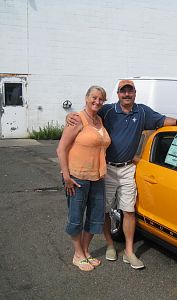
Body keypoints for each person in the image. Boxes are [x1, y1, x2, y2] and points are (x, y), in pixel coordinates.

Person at [67, 80, 177, 269]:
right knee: (103, 211)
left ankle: (129, 251)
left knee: (129, 210)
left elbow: (161, 120)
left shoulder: (142, 111)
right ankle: (110, 244)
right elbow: (88, 114)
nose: (127, 95)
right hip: (107, 168)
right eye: (123, 92)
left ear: (135, 93)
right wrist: (70, 116)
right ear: (118, 94)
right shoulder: (108, 110)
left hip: (128, 168)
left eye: (130, 91)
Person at [57, 85, 111, 271]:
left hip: (97, 177)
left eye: (101, 99)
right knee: (76, 216)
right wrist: (66, 176)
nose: (97, 101)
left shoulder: (99, 120)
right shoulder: (77, 119)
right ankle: (77, 254)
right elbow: (61, 148)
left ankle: (86, 251)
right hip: (77, 177)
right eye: (94, 98)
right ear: (86, 97)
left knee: (96, 217)